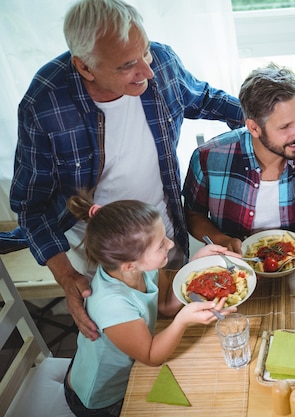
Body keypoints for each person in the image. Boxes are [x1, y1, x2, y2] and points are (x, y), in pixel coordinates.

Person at [9, 0, 243, 341]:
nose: (147, 71)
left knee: (180, 327)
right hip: (101, 251)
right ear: (85, 67)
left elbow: (205, 98)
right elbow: (31, 207)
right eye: (127, 65)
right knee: (128, 345)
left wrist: (268, 122)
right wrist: (66, 277)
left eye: (145, 52)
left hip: (162, 231)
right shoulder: (45, 104)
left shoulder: (160, 63)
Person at [63, 192, 236, 416]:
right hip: (102, 396)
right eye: (161, 245)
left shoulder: (143, 268)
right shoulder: (111, 304)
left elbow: (165, 305)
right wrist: (183, 320)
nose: (171, 244)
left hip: (133, 366)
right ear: (129, 265)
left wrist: (195, 265)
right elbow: (152, 356)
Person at [183, 62, 295, 262]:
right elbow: (193, 215)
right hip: (234, 268)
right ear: (254, 128)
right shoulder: (208, 157)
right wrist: (222, 240)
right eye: (285, 126)